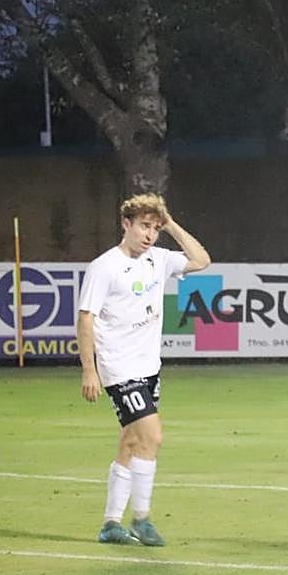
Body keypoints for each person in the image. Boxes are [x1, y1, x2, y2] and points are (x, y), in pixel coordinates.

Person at [78, 193, 211, 546]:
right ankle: (142, 518)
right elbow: (85, 318)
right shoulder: (104, 267)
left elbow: (202, 260)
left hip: (148, 366)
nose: (149, 234)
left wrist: (172, 226)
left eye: (154, 227)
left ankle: (110, 524)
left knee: (131, 441)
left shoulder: (160, 259)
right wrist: (89, 370)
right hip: (119, 368)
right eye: (144, 226)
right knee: (153, 437)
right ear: (126, 224)